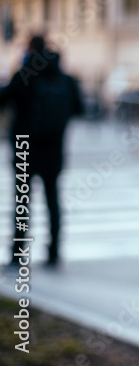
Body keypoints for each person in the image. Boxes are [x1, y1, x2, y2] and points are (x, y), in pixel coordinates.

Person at [1, 35, 84, 268]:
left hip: (26, 150)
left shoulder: (25, 75)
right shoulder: (66, 79)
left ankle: (18, 253)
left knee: (22, 203)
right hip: (54, 150)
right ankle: (54, 252)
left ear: (30, 50)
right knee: (53, 202)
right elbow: (80, 108)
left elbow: (3, 99)